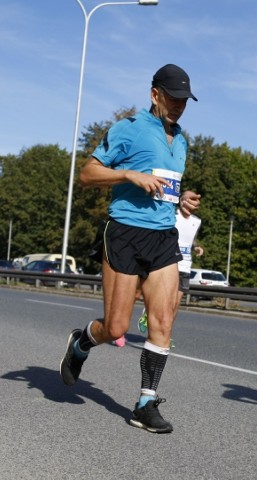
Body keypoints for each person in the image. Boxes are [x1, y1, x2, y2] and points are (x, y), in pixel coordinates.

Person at [59, 63, 200, 434]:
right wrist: (127, 174)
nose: (179, 106)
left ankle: (145, 403)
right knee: (117, 325)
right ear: (155, 94)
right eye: (173, 98)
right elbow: (88, 174)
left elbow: (164, 186)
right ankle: (81, 341)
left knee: (163, 320)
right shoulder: (129, 129)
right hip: (124, 232)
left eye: (185, 100)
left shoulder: (181, 140)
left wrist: (180, 199)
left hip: (162, 236)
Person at [138, 205, 204, 337]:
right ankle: (150, 318)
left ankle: (165, 334)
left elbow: (192, 239)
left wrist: (196, 247)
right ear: (182, 201)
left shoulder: (196, 221)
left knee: (175, 305)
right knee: (165, 302)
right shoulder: (172, 216)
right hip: (169, 262)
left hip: (186, 266)